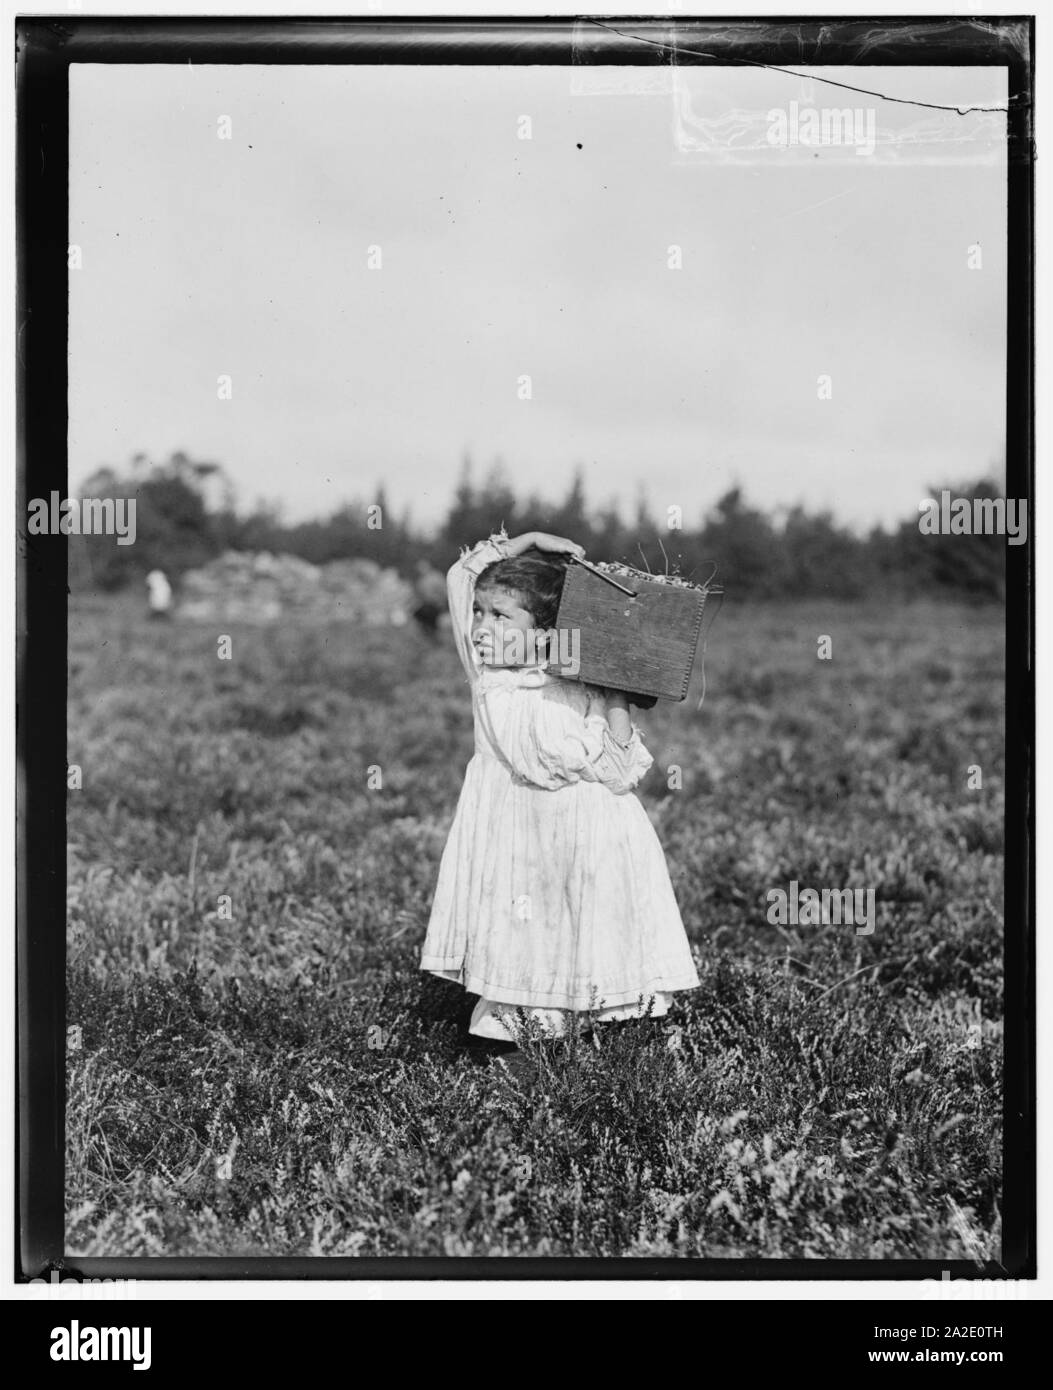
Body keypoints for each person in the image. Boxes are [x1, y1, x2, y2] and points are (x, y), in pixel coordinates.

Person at [419, 529, 700, 1081]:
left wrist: (616, 694)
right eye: (480, 613)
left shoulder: (582, 688)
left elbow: (620, 771)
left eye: (502, 617)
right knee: (525, 943)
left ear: (545, 632)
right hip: (519, 841)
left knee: (592, 936)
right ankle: (520, 1054)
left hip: (594, 839)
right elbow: (460, 577)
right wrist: (524, 542)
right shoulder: (489, 678)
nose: (481, 627)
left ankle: (608, 1053)